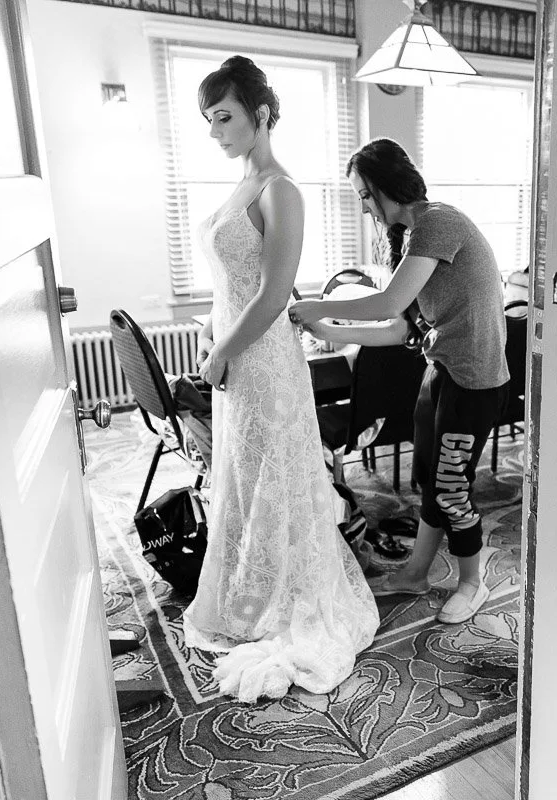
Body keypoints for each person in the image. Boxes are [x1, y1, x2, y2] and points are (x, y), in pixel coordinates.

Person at [183, 56, 378, 702]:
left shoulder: (280, 190)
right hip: (238, 354)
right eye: (210, 120)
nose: (215, 131)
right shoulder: (243, 185)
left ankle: (282, 594)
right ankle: (248, 589)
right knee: (243, 473)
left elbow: (272, 295)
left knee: (271, 472)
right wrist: (213, 335)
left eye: (225, 117)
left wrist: (223, 350)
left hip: (264, 360)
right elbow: (232, 285)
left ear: (261, 114)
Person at [289, 138, 509, 625]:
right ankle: (415, 574)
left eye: (365, 195)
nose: (364, 207)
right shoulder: (412, 238)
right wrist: (328, 331)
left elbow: (388, 303)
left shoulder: (438, 222)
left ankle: (473, 583)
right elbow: (399, 328)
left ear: (385, 185)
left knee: (450, 487)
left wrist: (318, 307)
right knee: (430, 480)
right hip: (443, 370)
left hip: (474, 381)